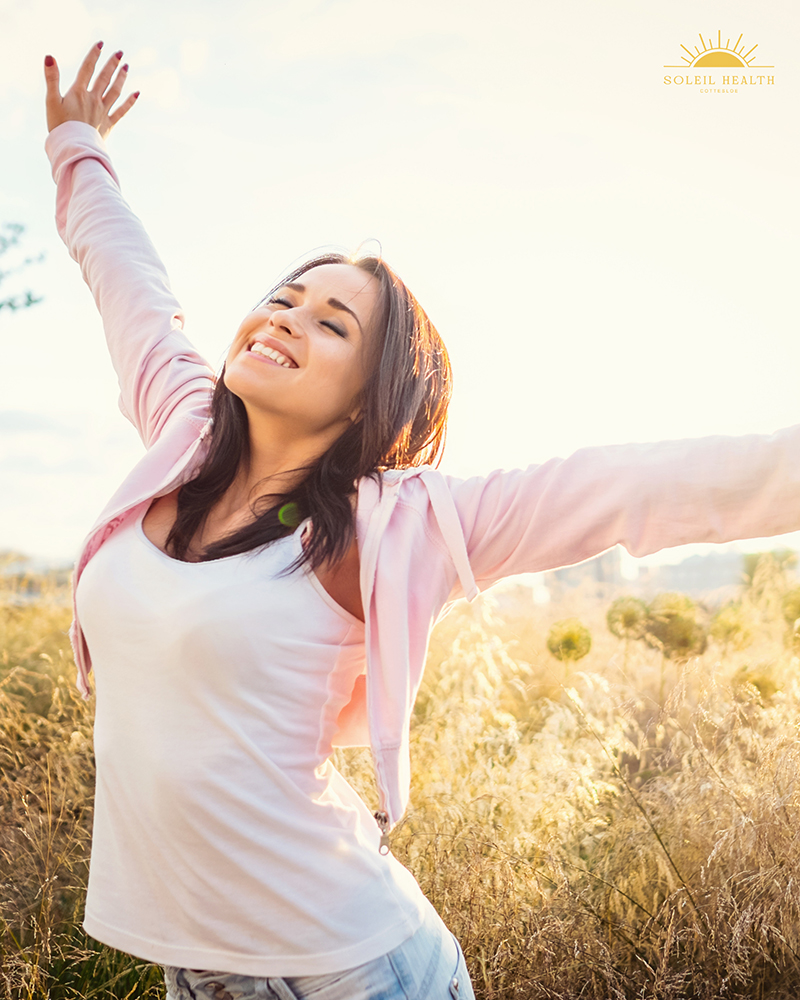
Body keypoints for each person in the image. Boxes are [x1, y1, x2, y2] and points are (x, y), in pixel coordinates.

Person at [43, 42, 800, 1000]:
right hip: (194, 972)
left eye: (331, 324)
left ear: (369, 401)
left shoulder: (392, 527)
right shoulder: (180, 435)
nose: (283, 319)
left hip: (357, 972)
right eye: (283, 298)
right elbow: (130, 284)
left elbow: (631, 485)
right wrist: (76, 145)